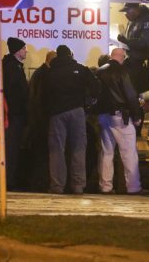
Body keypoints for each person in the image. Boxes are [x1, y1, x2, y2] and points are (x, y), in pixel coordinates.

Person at [45, 45, 101, 194]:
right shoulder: (81, 69)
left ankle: (57, 186)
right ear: (70, 54)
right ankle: (78, 185)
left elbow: (44, 94)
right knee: (79, 148)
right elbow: (96, 88)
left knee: (57, 149)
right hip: (77, 111)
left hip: (56, 113)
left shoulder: (51, 72)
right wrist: (87, 102)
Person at [95, 48, 144, 194]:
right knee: (128, 152)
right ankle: (133, 187)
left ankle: (105, 186)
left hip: (104, 116)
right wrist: (136, 116)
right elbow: (130, 95)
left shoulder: (99, 71)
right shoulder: (122, 71)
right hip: (121, 116)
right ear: (121, 57)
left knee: (106, 152)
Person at [26, 50, 57, 192]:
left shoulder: (39, 73)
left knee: (40, 154)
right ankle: (40, 183)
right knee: (43, 155)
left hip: (37, 121)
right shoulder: (45, 75)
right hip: (42, 121)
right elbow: (40, 100)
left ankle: (38, 182)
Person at [2, 37, 29, 191]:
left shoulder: (13, 66)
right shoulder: (13, 68)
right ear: (18, 51)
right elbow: (14, 92)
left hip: (14, 114)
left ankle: (9, 179)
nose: (26, 51)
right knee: (11, 148)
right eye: (24, 49)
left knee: (12, 147)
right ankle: (9, 181)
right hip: (14, 115)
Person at [117, 3, 149, 94]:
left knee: (141, 91)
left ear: (136, 9)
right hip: (134, 62)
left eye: (127, 11)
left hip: (144, 63)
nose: (125, 14)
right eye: (124, 12)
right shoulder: (132, 21)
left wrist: (127, 41)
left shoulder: (148, 21)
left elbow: (147, 43)